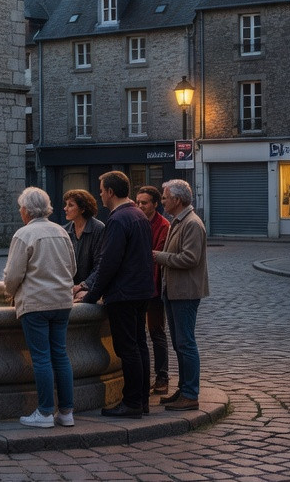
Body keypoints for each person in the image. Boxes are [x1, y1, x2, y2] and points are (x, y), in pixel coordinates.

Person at [78, 170, 154, 417]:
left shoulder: (118, 219)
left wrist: (90, 295)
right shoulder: (138, 215)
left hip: (124, 293)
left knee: (127, 349)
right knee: (139, 346)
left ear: (110, 192)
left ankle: (131, 402)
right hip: (142, 291)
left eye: (101, 190)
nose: (100, 194)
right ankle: (141, 400)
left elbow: (109, 263)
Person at [3, 187, 77, 429]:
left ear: (26, 210)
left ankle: (45, 412)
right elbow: (73, 269)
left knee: (42, 357)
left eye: (20, 208)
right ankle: (66, 412)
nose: (20, 212)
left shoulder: (24, 234)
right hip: (62, 302)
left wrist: (11, 292)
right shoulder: (61, 232)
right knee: (60, 354)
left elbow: (13, 275)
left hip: (36, 303)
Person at [153, 179, 210, 412]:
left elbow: (190, 258)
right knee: (179, 343)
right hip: (174, 290)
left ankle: (190, 393)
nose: (163, 201)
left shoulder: (192, 223)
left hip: (185, 292)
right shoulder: (180, 221)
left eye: (165, 197)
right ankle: (184, 388)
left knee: (186, 343)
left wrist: (160, 257)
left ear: (177, 200)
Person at [136, 185, 171, 395]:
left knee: (157, 332)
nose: (140, 206)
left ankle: (162, 377)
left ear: (155, 204)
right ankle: (145, 376)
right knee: (140, 334)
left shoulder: (163, 226)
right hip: (138, 286)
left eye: (144, 202)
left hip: (154, 288)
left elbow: (156, 256)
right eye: (138, 202)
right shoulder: (138, 221)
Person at [63, 189, 105, 299]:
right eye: (66, 205)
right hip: (69, 289)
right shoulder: (64, 231)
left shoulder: (98, 228)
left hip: (91, 288)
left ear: (82, 209)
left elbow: (100, 264)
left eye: (70, 205)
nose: (65, 208)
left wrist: (83, 285)